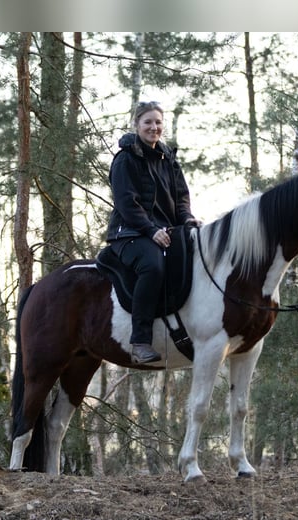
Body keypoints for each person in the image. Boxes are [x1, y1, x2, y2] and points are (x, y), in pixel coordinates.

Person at [106, 101, 200, 364]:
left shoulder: (169, 159)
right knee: (153, 266)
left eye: (158, 122)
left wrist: (188, 220)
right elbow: (127, 204)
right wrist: (150, 229)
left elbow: (181, 198)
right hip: (130, 233)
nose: (154, 127)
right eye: (148, 122)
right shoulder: (125, 160)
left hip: (166, 230)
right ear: (136, 125)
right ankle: (140, 340)